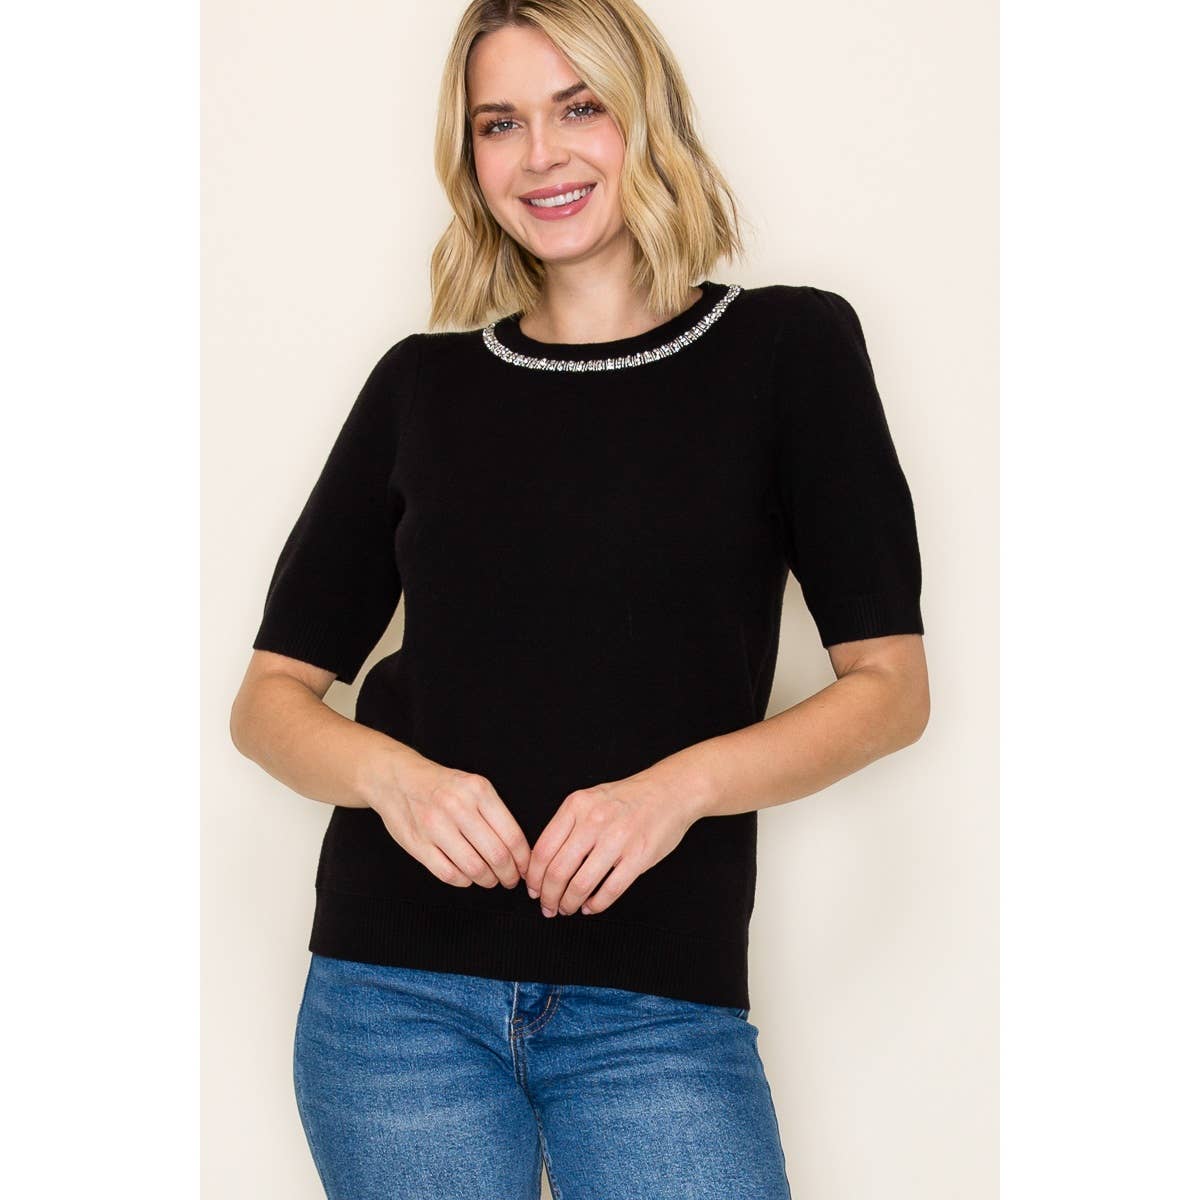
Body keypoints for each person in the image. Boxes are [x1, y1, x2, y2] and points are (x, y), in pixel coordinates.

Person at [229, 1, 929, 1196]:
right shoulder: (421, 385)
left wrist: (674, 792)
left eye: (578, 107)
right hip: (392, 1002)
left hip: (656, 1008)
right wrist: (396, 780)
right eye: (499, 123)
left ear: (645, 118)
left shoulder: (789, 350)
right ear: (469, 155)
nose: (541, 155)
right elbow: (267, 702)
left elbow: (892, 689)